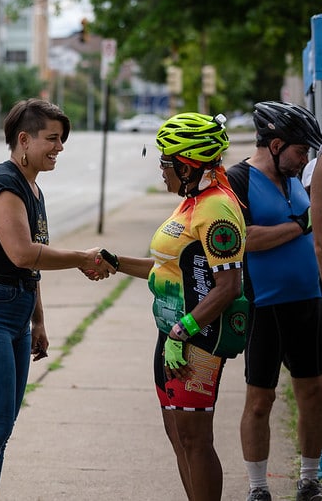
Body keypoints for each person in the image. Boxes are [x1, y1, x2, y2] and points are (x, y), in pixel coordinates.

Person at [0, 98, 116, 501]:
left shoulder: (31, 187)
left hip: (12, 312)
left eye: (62, 139)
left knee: (0, 429)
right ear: (24, 139)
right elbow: (23, 253)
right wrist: (81, 258)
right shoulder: (4, 184)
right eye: (52, 139)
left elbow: (28, 263)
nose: (59, 147)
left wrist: (37, 321)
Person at [91, 113, 245, 501]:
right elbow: (166, 268)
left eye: (165, 161)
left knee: (195, 439)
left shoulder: (216, 210)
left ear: (187, 164)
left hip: (197, 338)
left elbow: (228, 286)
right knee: (178, 435)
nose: (161, 169)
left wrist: (182, 332)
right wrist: (115, 260)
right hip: (173, 334)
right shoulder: (192, 202)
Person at [226, 101, 322, 501]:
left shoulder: (296, 177)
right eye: (301, 151)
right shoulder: (238, 179)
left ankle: (310, 479)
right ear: (277, 143)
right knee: (261, 397)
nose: (305, 160)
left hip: (308, 298)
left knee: (313, 391)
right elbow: (242, 239)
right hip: (264, 303)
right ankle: (258, 486)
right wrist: (300, 224)